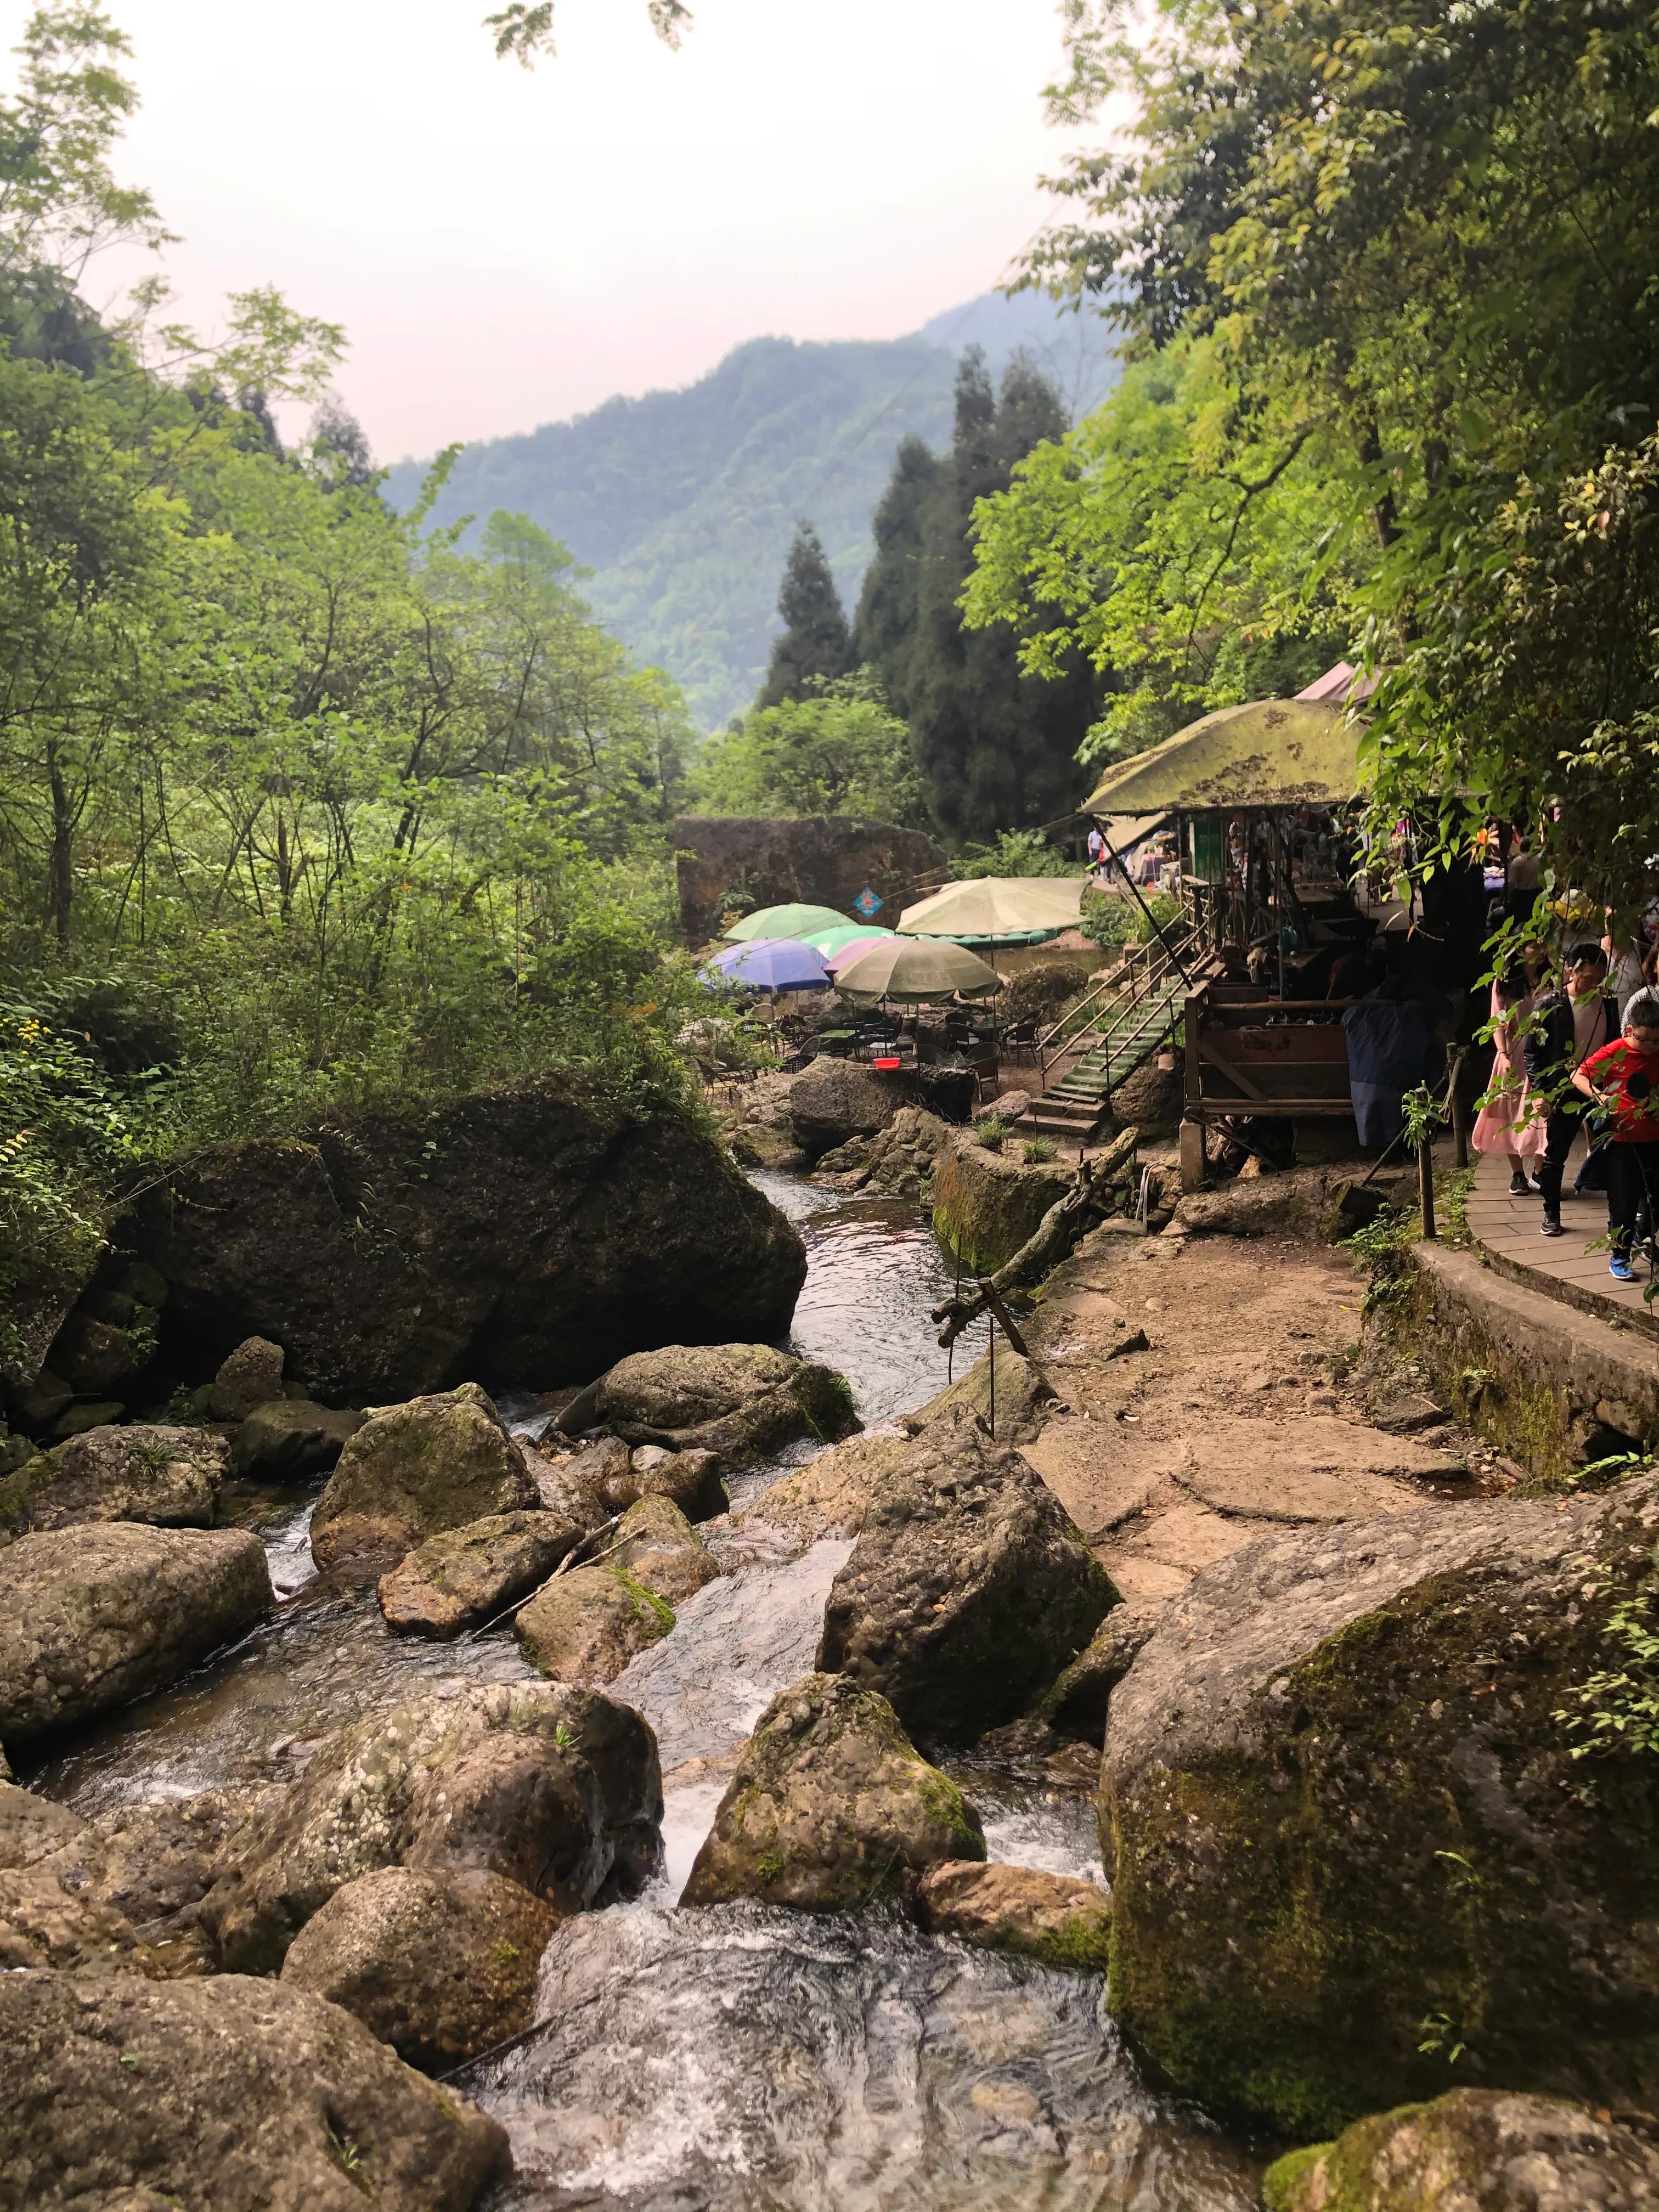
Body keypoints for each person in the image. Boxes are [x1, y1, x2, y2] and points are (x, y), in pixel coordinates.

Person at [1525, 942, 1618, 1237]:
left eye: (1599, 978)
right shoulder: (1551, 1004)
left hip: (1600, 1086)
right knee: (1556, 1153)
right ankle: (1551, 1211)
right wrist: (1541, 1091)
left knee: (1614, 1150)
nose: (1593, 984)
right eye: (1587, 978)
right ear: (1571, 970)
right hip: (1562, 1086)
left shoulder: (1608, 1003)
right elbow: (1532, 1053)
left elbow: (1614, 1045)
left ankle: (1619, 1221)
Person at [1572, 986, 1659, 1282]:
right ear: (1631, 1030)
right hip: (1623, 1140)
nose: (1650, 1046)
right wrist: (1599, 1098)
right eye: (1644, 1040)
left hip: (1655, 1137)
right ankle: (1620, 1257)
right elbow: (1579, 1075)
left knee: (1655, 1199)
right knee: (1623, 1200)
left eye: (1656, 1041)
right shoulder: (1617, 1050)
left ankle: (1645, 1241)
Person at [1471, 968, 1545, 1194]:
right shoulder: (1505, 981)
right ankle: (1518, 1173)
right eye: (1533, 944)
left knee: (1542, 1110)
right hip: (1514, 1053)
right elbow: (1497, 1022)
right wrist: (1503, 1054)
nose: (1540, 949)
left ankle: (1541, 1173)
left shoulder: (1550, 976)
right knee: (1509, 1112)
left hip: (1543, 1051)